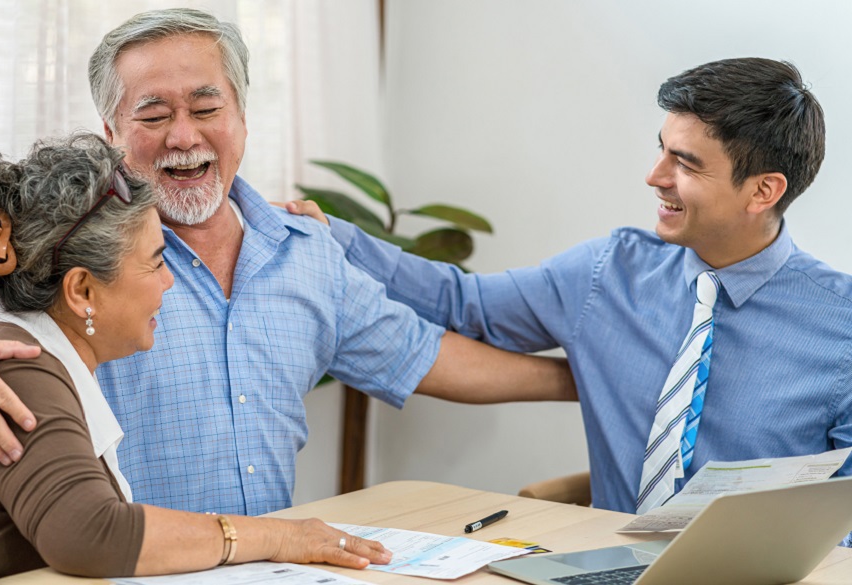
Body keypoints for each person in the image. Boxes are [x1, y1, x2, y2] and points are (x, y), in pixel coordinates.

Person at [0, 8, 575, 517]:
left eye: (206, 106)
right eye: (152, 115)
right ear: (111, 134)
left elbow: (427, 356)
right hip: (113, 567)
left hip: (269, 568)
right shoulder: (65, 249)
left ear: (241, 115)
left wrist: (589, 380)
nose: (183, 135)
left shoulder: (307, 255)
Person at [289, 57, 852, 523]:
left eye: (684, 163)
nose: (655, 176)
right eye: (662, 149)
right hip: (605, 564)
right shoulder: (609, 273)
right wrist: (334, 237)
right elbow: (464, 304)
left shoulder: (841, 326)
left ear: (763, 192)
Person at [0, 133, 392, 584]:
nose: (170, 283)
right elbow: (89, 535)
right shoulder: (17, 367)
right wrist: (278, 535)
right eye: (155, 263)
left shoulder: (38, 353)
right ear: (82, 291)